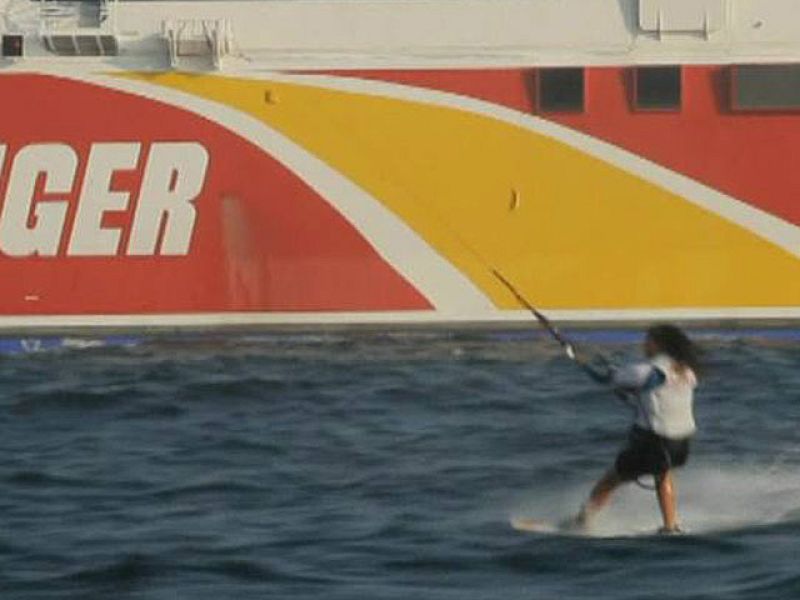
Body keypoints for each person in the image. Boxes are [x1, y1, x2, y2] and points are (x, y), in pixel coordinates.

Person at [569, 324, 701, 534]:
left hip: (654, 444)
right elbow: (659, 394)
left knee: (611, 480)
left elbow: (606, 379)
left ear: (657, 345)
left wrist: (583, 365)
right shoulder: (687, 372)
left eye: (647, 340)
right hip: (680, 447)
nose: (644, 345)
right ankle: (670, 526)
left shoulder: (647, 370)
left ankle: (580, 523)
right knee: (662, 474)